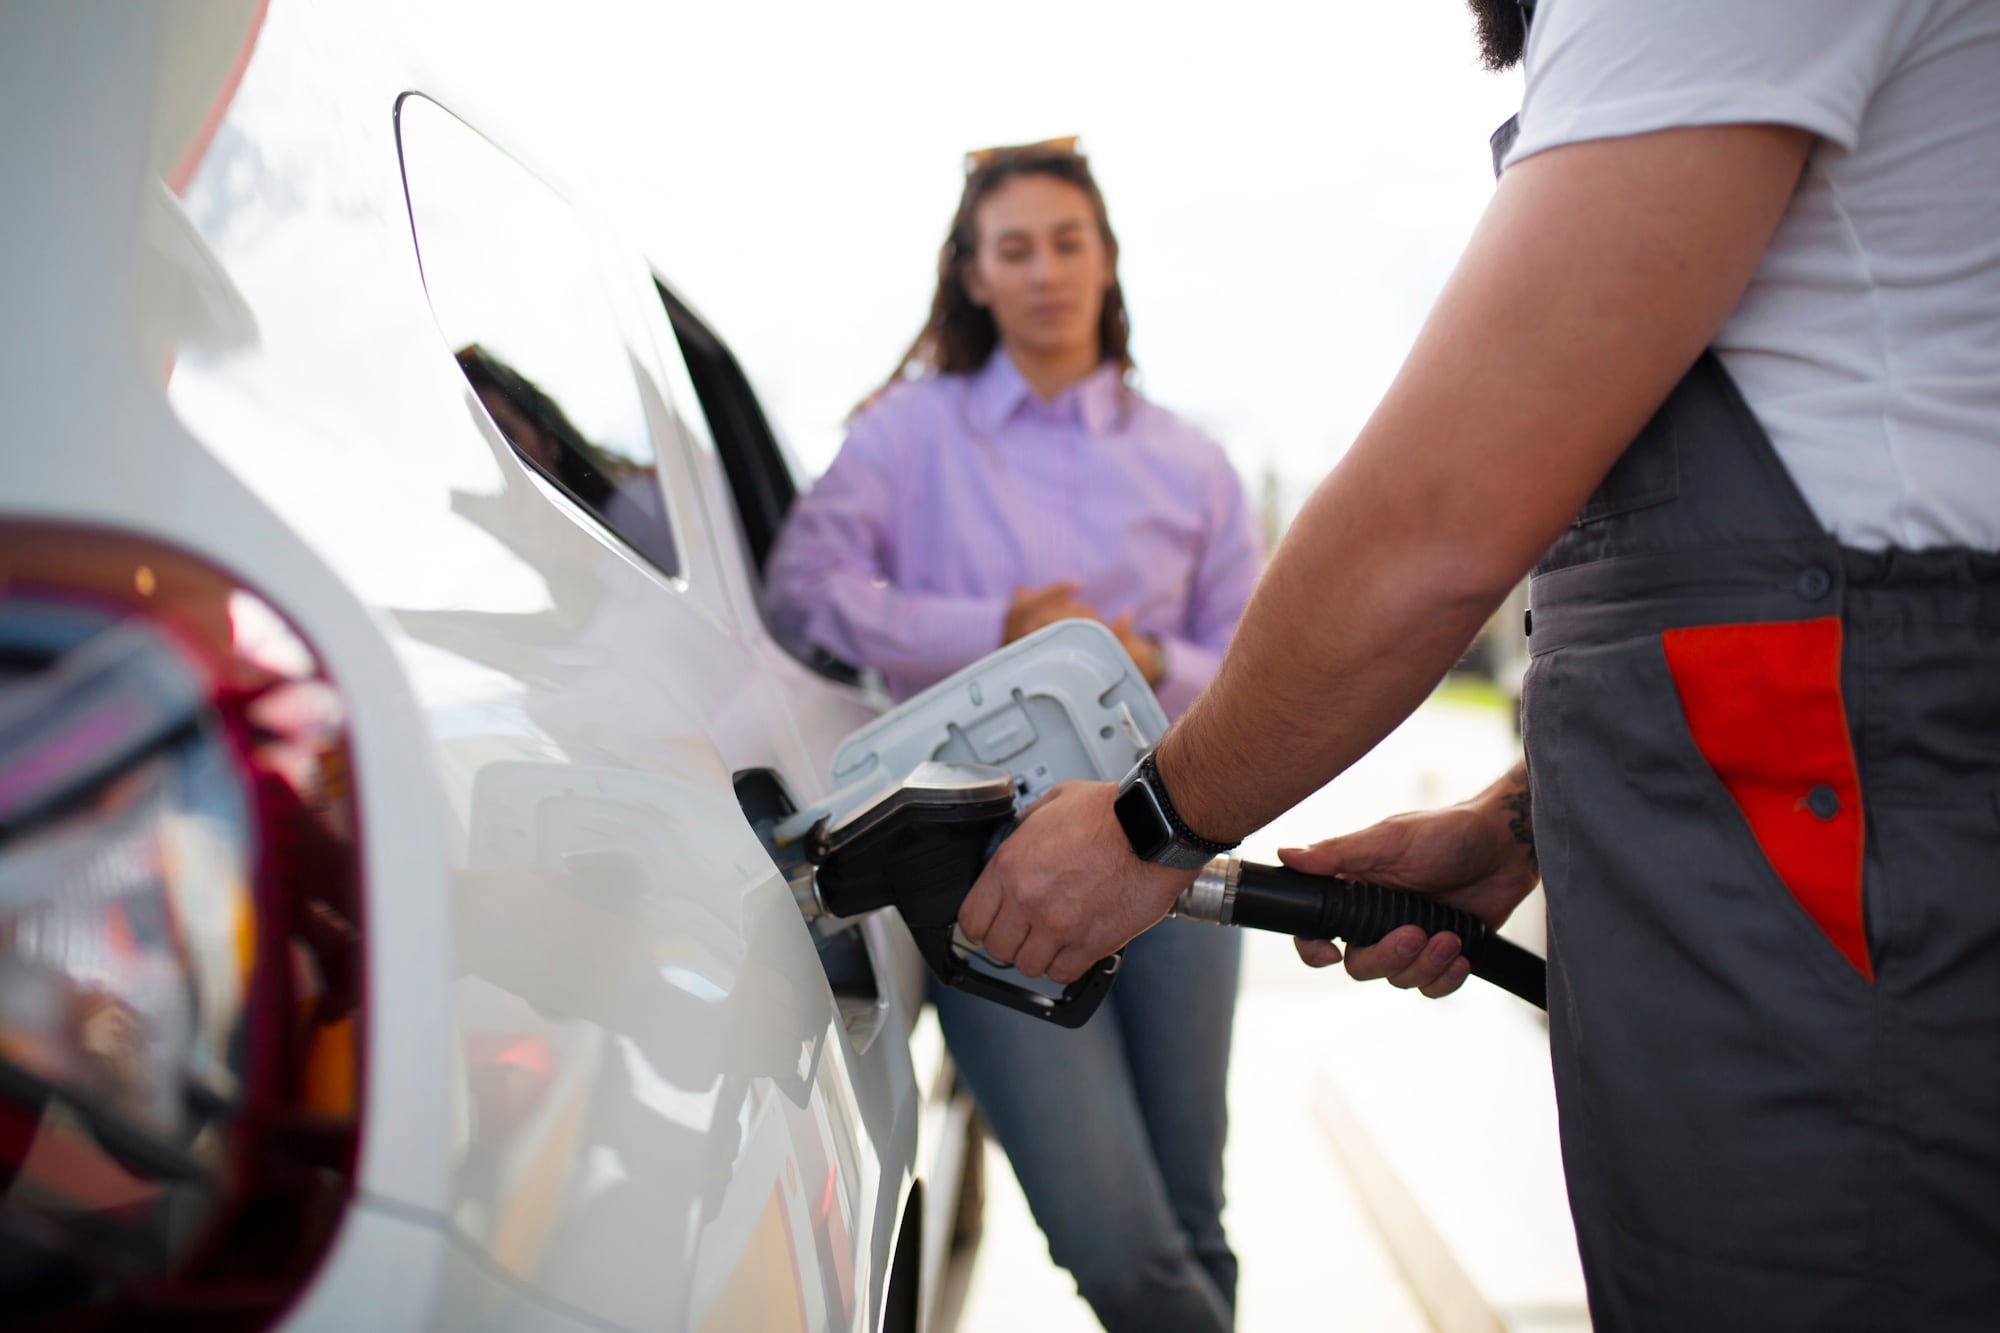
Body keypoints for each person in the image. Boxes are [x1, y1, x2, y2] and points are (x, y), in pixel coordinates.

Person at [958, 3, 2000, 1329]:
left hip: (1837, 874)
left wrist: (1148, 825)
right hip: (1774, 859)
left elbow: (1434, 526)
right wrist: (1521, 818)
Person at [763, 139, 1262, 1330]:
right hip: (982, 875)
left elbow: (1256, 660)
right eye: (1014, 248)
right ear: (973, 273)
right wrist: (987, 625)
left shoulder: (1190, 462)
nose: (1043, 270)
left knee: (1192, 1213)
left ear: (1105, 258)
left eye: (1065, 242)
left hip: (1172, 843)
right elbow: (801, 591)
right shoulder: (904, 434)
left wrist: (1151, 658)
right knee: (1118, 1244)